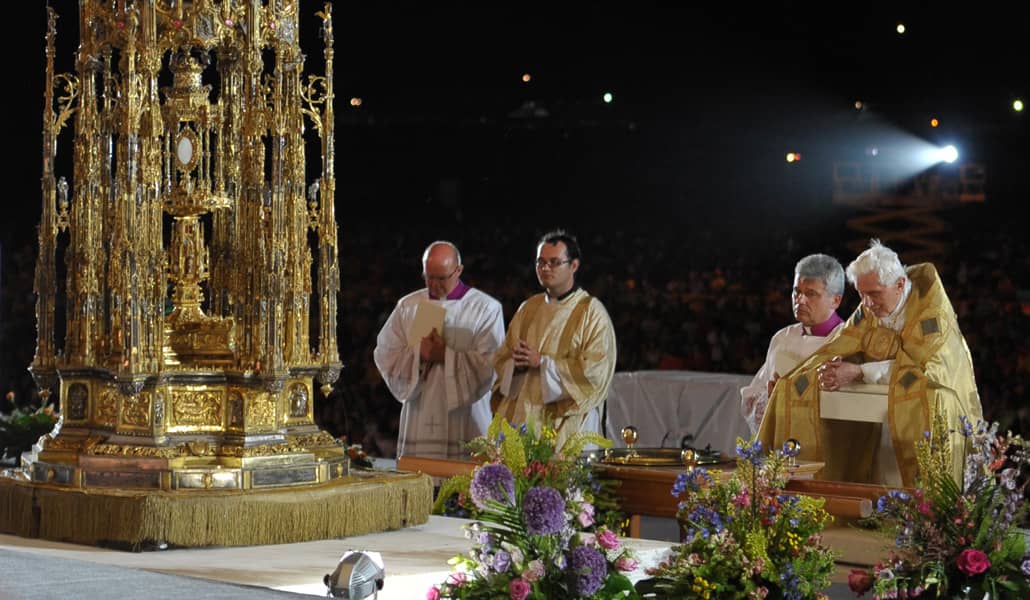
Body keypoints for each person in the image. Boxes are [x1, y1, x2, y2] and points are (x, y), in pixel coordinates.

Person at [757, 239, 981, 486]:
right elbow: (839, 346)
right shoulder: (868, 308)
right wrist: (802, 377)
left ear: (900, 284)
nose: (868, 303)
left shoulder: (932, 318)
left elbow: (919, 372)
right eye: (862, 294)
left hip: (929, 411)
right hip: (880, 420)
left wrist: (858, 371)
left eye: (874, 294)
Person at [373, 241, 504, 460]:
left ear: (458, 270)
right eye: (428, 277)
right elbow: (385, 354)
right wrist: (418, 354)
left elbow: (491, 365)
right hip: (420, 417)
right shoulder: (408, 306)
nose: (434, 284)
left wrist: (444, 355)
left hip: (468, 420)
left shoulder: (486, 309)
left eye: (441, 278)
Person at [491, 229, 617, 449]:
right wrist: (515, 365)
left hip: (565, 426)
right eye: (541, 262)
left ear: (574, 266)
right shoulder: (528, 308)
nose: (545, 268)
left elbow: (595, 372)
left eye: (554, 262)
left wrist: (542, 363)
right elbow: (502, 358)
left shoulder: (590, 312)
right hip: (524, 416)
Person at [740, 253, 846, 435]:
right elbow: (752, 399)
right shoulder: (782, 338)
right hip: (782, 443)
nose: (800, 300)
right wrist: (770, 398)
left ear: (835, 300)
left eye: (811, 294)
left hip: (828, 445)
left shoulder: (847, 340)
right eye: (797, 291)